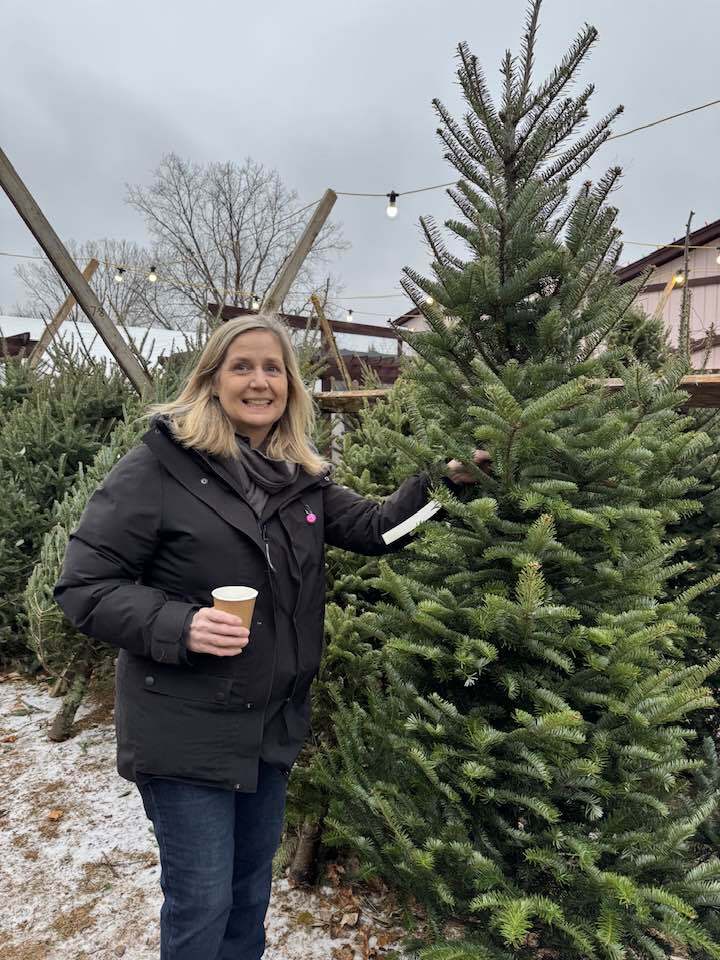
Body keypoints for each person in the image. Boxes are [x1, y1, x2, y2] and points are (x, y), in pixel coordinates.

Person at [54, 315, 490, 960]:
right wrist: (180, 624)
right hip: (185, 730)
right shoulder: (157, 469)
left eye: (274, 368)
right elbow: (84, 586)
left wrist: (446, 486)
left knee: (248, 897)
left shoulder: (297, 480)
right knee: (202, 902)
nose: (260, 381)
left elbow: (380, 532)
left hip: (269, 729)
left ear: (291, 386)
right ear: (210, 381)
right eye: (242, 367)